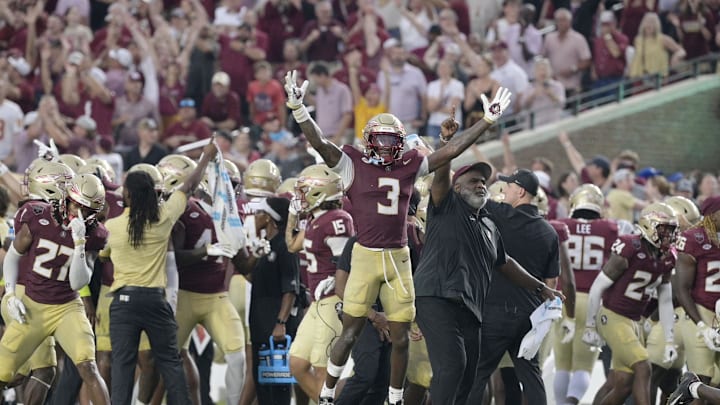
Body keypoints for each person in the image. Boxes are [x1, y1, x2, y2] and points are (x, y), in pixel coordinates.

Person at [284, 68, 512, 405]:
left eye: (394, 140)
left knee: (402, 337)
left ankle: (394, 397)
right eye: (383, 139)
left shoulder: (411, 164)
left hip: (398, 256)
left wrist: (487, 122)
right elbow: (320, 142)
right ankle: (329, 393)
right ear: (370, 140)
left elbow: (449, 153)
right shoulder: (352, 163)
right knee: (350, 330)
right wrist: (300, 111)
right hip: (364, 253)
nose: (389, 146)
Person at [414, 161, 563, 405]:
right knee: (453, 366)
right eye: (474, 181)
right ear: (457, 188)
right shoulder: (447, 206)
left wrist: (541, 287)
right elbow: (441, 177)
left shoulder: (489, 224)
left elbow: (505, 263)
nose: (482, 185)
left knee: (470, 373)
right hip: (437, 296)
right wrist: (446, 144)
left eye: (484, 181)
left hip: (471, 305)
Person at [102, 139, 218, 405]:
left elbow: (101, 254)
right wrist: (205, 158)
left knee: (123, 367)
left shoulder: (113, 226)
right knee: (170, 363)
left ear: (127, 195)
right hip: (155, 300)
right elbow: (188, 187)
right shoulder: (163, 218)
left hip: (123, 303)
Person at [0, 173, 110, 404]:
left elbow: (78, 282)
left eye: (87, 210)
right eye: (76, 205)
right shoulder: (37, 216)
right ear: (65, 198)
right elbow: (12, 257)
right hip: (32, 304)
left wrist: (79, 243)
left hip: (67, 307)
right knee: (3, 374)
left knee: (88, 366)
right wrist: (10, 293)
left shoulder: (95, 234)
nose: (79, 213)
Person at [466, 169, 561, 405]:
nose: (504, 190)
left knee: (477, 374)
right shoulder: (549, 231)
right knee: (531, 377)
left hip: (496, 311)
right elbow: (551, 283)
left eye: (508, 186)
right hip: (529, 316)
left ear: (520, 191)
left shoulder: (500, 214)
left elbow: (469, 196)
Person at [583, 203, 679, 405]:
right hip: (612, 316)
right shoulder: (630, 247)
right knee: (643, 366)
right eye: (663, 229)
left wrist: (669, 339)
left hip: (634, 322)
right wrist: (590, 325)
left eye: (671, 230)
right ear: (648, 226)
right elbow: (597, 287)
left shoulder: (668, 257)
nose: (668, 235)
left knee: (622, 383)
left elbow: (666, 299)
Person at [171, 164, 246, 405]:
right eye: (227, 185)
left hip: (217, 297)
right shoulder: (188, 210)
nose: (232, 191)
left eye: (233, 186)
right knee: (164, 359)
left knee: (237, 355)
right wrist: (205, 250)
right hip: (185, 294)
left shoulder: (232, 217)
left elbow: (243, 263)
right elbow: (174, 257)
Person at [286, 165, 354, 400]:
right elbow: (292, 245)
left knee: (324, 370)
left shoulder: (337, 219)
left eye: (304, 191)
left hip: (332, 299)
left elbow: (346, 263)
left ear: (320, 192)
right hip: (317, 301)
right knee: (296, 362)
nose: (300, 196)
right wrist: (293, 216)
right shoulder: (316, 219)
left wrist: (336, 283)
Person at [553, 184, 619, 405]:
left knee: (561, 363)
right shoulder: (610, 228)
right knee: (584, 364)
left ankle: (562, 403)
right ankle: (571, 402)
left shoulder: (559, 226)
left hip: (562, 298)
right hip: (593, 300)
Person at [232, 197, 300, 405]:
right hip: (260, 324)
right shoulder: (266, 245)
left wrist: (281, 323)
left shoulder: (285, 246)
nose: (255, 216)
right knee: (262, 383)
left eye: (260, 212)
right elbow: (253, 276)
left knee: (278, 386)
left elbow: (291, 289)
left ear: (270, 218)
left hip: (275, 326)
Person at [674, 196, 720, 392]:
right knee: (700, 380)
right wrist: (701, 325)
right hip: (699, 311)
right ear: (713, 215)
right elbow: (681, 288)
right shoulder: (694, 238)